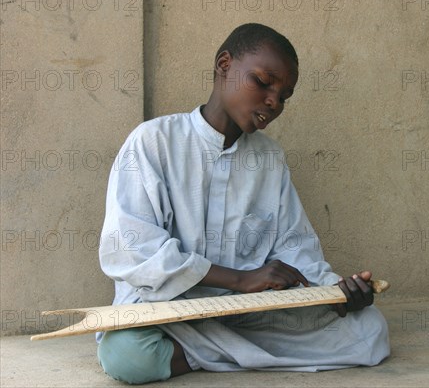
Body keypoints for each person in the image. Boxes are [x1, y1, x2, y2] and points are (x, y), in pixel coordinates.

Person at [96, 23, 390, 385]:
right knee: (126, 354)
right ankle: (238, 354)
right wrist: (241, 279)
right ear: (224, 65)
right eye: (264, 82)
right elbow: (132, 249)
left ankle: (206, 356)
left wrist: (334, 293)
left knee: (370, 330)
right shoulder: (153, 142)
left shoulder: (270, 158)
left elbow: (294, 248)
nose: (273, 102)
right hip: (168, 311)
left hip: (247, 315)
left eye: (284, 96)